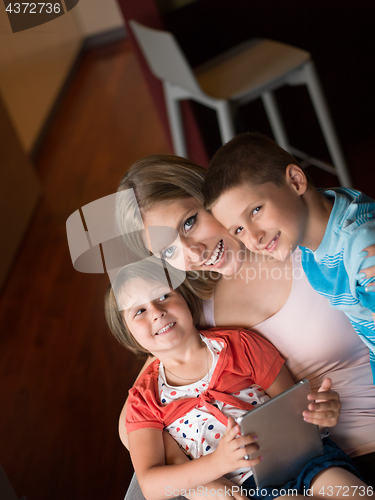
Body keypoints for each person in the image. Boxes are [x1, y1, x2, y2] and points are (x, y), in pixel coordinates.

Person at [116, 154, 375, 486]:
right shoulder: (193, 304)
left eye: (190, 222)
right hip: (286, 465)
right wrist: (203, 485)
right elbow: (132, 423)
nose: (193, 253)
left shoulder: (296, 231)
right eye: (168, 250)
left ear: (211, 195)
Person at [105, 258, 367, 500]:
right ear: (128, 334)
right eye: (138, 311)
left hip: (302, 457)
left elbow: (293, 408)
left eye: (164, 295)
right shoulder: (143, 399)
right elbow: (151, 485)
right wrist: (218, 464)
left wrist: (318, 413)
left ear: (184, 299)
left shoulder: (240, 344)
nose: (156, 311)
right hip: (246, 487)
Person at [203, 132, 375, 384]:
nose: (254, 238)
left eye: (256, 211)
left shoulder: (361, 250)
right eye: (238, 230)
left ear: (295, 181)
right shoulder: (318, 223)